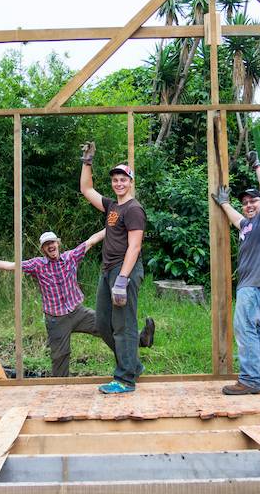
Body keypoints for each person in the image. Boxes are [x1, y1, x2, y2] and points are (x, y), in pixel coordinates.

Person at [0, 230, 155, 377]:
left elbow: (91, 241)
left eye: (52, 243)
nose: (50, 246)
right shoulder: (38, 265)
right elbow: (11, 266)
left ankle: (141, 339)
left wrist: (113, 225)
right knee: (60, 356)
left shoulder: (70, 257)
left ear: (58, 244)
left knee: (108, 327)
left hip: (78, 313)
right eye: (46, 245)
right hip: (56, 319)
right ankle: (60, 388)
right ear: (43, 249)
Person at [211, 151, 260, 395]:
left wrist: (257, 166)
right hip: (257, 285)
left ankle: (251, 380)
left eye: (253, 201)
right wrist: (224, 203)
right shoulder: (248, 225)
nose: (249, 205)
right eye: (245, 203)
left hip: (257, 284)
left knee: (244, 328)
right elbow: (236, 220)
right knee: (257, 329)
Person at [79, 141, 147, 394]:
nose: (119, 183)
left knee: (123, 325)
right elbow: (86, 189)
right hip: (107, 270)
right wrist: (87, 162)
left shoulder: (134, 209)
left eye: (123, 179)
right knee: (103, 323)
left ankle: (126, 378)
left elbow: (135, 246)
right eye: (115, 180)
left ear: (131, 182)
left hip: (123, 271)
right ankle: (133, 364)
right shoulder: (113, 206)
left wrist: (123, 279)